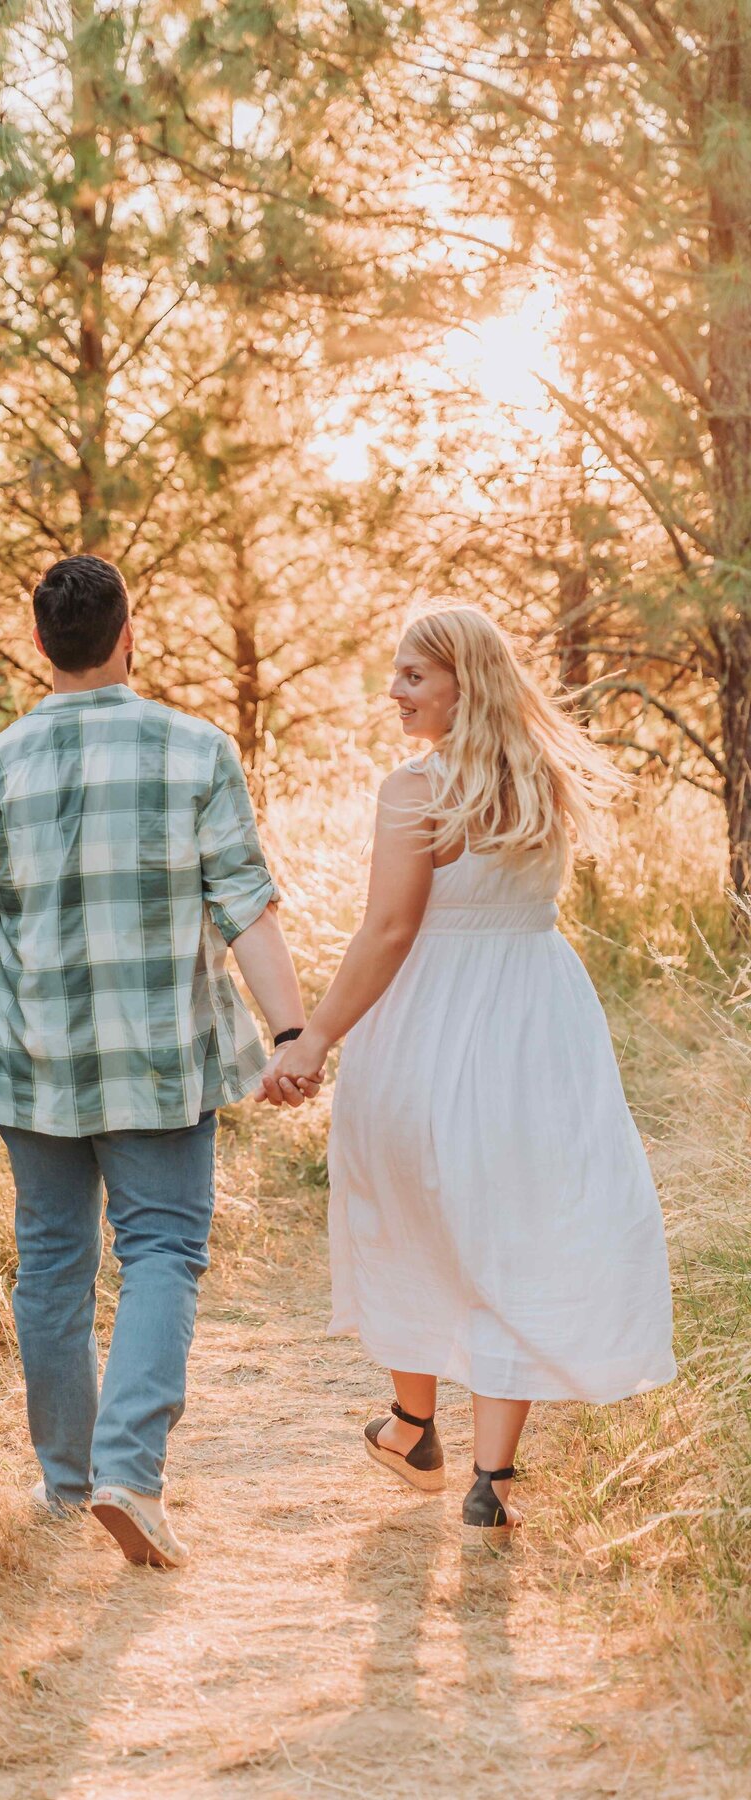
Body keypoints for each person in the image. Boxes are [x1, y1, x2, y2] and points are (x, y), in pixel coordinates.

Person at [258, 604, 676, 1548]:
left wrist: (314, 1036)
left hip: (431, 1023)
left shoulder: (417, 790)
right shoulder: (541, 779)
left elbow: (391, 930)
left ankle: (412, 1428)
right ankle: (488, 1478)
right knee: (515, 1226)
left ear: (462, 682)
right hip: (538, 1025)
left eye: (413, 675)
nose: (395, 691)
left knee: (408, 1211)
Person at [0, 554, 317, 1568]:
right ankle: (128, 1473)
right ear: (128, 632)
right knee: (161, 1254)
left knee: (53, 1264)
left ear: (40, 643)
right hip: (157, 1058)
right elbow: (246, 906)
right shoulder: (195, 751)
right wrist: (289, 1033)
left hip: (33, 1063)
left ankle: (68, 1486)